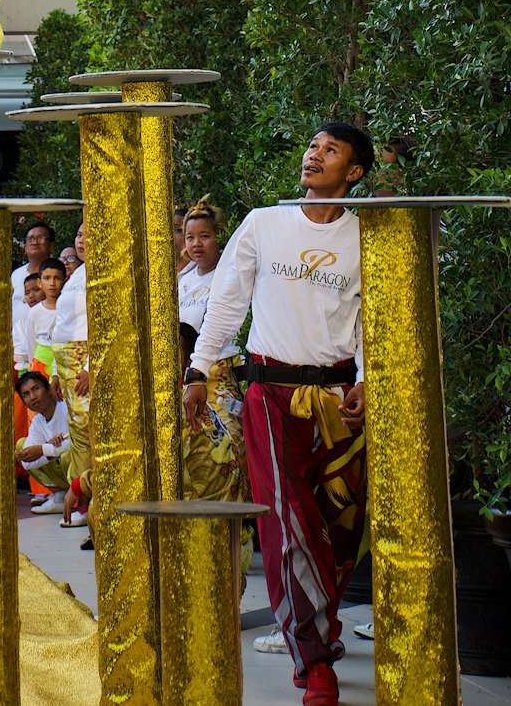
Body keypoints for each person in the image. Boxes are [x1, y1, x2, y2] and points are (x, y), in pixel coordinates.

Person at [182, 122, 373, 706]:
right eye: (312, 146)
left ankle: (318, 625)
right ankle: (315, 663)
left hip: (341, 401)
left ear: (354, 172)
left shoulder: (365, 236)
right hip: (270, 395)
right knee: (288, 526)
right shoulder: (264, 222)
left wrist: (366, 376)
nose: (315, 155)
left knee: (342, 529)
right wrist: (197, 369)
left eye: (330, 150)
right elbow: (227, 302)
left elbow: (372, 316)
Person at [177, 200, 252, 574]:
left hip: (222, 378)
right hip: (189, 380)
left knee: (224, 460)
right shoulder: (183, 279)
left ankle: (234, 552)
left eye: (205, 236)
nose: (196, 244)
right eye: (189, 237)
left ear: (219, 238)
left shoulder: (230, 276)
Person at [49, 221, 90, 487]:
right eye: (78, 234)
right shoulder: (77, 273)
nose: (81, 240)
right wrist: (55, 371)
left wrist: (90, 366)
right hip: (64, 361)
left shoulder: (103, 273)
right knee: (76, 428)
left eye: (88, 235)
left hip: (81, 359)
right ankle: (80, 493)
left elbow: (107, 324)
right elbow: (61, 323)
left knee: (87, 427)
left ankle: (87, 495)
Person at [14, 370, 70, 514]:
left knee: (66, 457)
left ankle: (81, 498)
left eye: (36, 389)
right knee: (21, 446)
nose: (32, 397)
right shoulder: (38, 422)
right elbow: (26, 461)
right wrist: (49, 450)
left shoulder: (66, 408)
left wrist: (43, 450)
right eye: (26, 394)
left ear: (49, 389)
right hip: (61, 471)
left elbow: (77, 444)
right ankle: (60, 496)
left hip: (80, 470)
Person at [24, 257, 65, 378]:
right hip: (41, 366)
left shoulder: (68, 309)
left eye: (57, 278)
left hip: (65, 363)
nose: (52, 283)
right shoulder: (34, 313)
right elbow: (32, 345)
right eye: (47, 278)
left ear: (64, 281)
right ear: (39, 282)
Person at [11, 220, 55, 309]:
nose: (34, 242)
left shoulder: (57, 271)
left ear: (51, 245)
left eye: (40, 238)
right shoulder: (16, 274)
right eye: (30, 238)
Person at [12, 272, 43, 374]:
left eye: (36, 290)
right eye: (27, 292)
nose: (31, 296)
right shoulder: (21, 324)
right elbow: (20, 355)